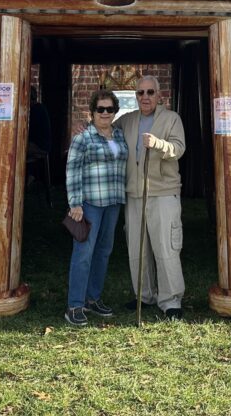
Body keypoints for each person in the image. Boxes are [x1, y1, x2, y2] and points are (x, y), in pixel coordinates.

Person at [115, 75, 187, 320]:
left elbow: (179, 148)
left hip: (163, 193)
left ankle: (171, 301)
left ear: (159, 95)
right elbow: (105, 129)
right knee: (137, 248)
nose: (144, 97)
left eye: (149, 92)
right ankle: (144, 295)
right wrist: (86, 129)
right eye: (140, 93)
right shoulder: (127, 120)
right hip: (135, 194)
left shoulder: (172, 119)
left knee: (166, 247)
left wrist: (159, 144)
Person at [64, 89, 128, 327]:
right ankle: (75, 305)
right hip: (89, 204)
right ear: (92, 112)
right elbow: (72, 170)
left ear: (115, 111)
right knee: (83, 253)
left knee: (104, 251)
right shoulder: (83, 138)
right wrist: (75, 203)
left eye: (109, 109)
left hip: (113, 202)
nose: (105, 113)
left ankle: (93, 298)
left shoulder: (119, 135)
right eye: (100, 109)